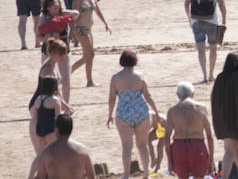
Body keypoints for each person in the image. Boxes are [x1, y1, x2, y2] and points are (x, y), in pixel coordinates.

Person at [106, 49, 160, 179]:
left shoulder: (115, 78)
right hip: (141, 112)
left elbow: (112, 98)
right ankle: (146, 173)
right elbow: (147, 96)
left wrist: (109, 115)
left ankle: (126, 174)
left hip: (123, 113)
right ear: (134, 61)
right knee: (142, 145)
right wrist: (156, 111)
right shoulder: (140, 77)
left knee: (126, 146)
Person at [165, 81, 215, 179]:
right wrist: (211, 157)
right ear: (193, 94)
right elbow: (209, 136)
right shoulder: (201, 108)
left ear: (178, 95)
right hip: (197, 145)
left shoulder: (172, 110)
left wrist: (169, 161)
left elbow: (167, 138)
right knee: (199, 176)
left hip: (178, 146)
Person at [185, 0, 226, 83]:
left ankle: (204, 75)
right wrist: (224, 20)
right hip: (212, 21)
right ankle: (211, 75)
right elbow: (222, 4)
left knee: (201, 50)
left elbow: (186, 4)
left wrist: (189, 19)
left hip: (196, 20)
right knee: (213, 48)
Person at [27, 114, 96, 179]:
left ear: (56, 129)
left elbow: (40, 177)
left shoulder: (47, 152)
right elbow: (91, 176)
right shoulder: (82, 151)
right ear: (71, 128)